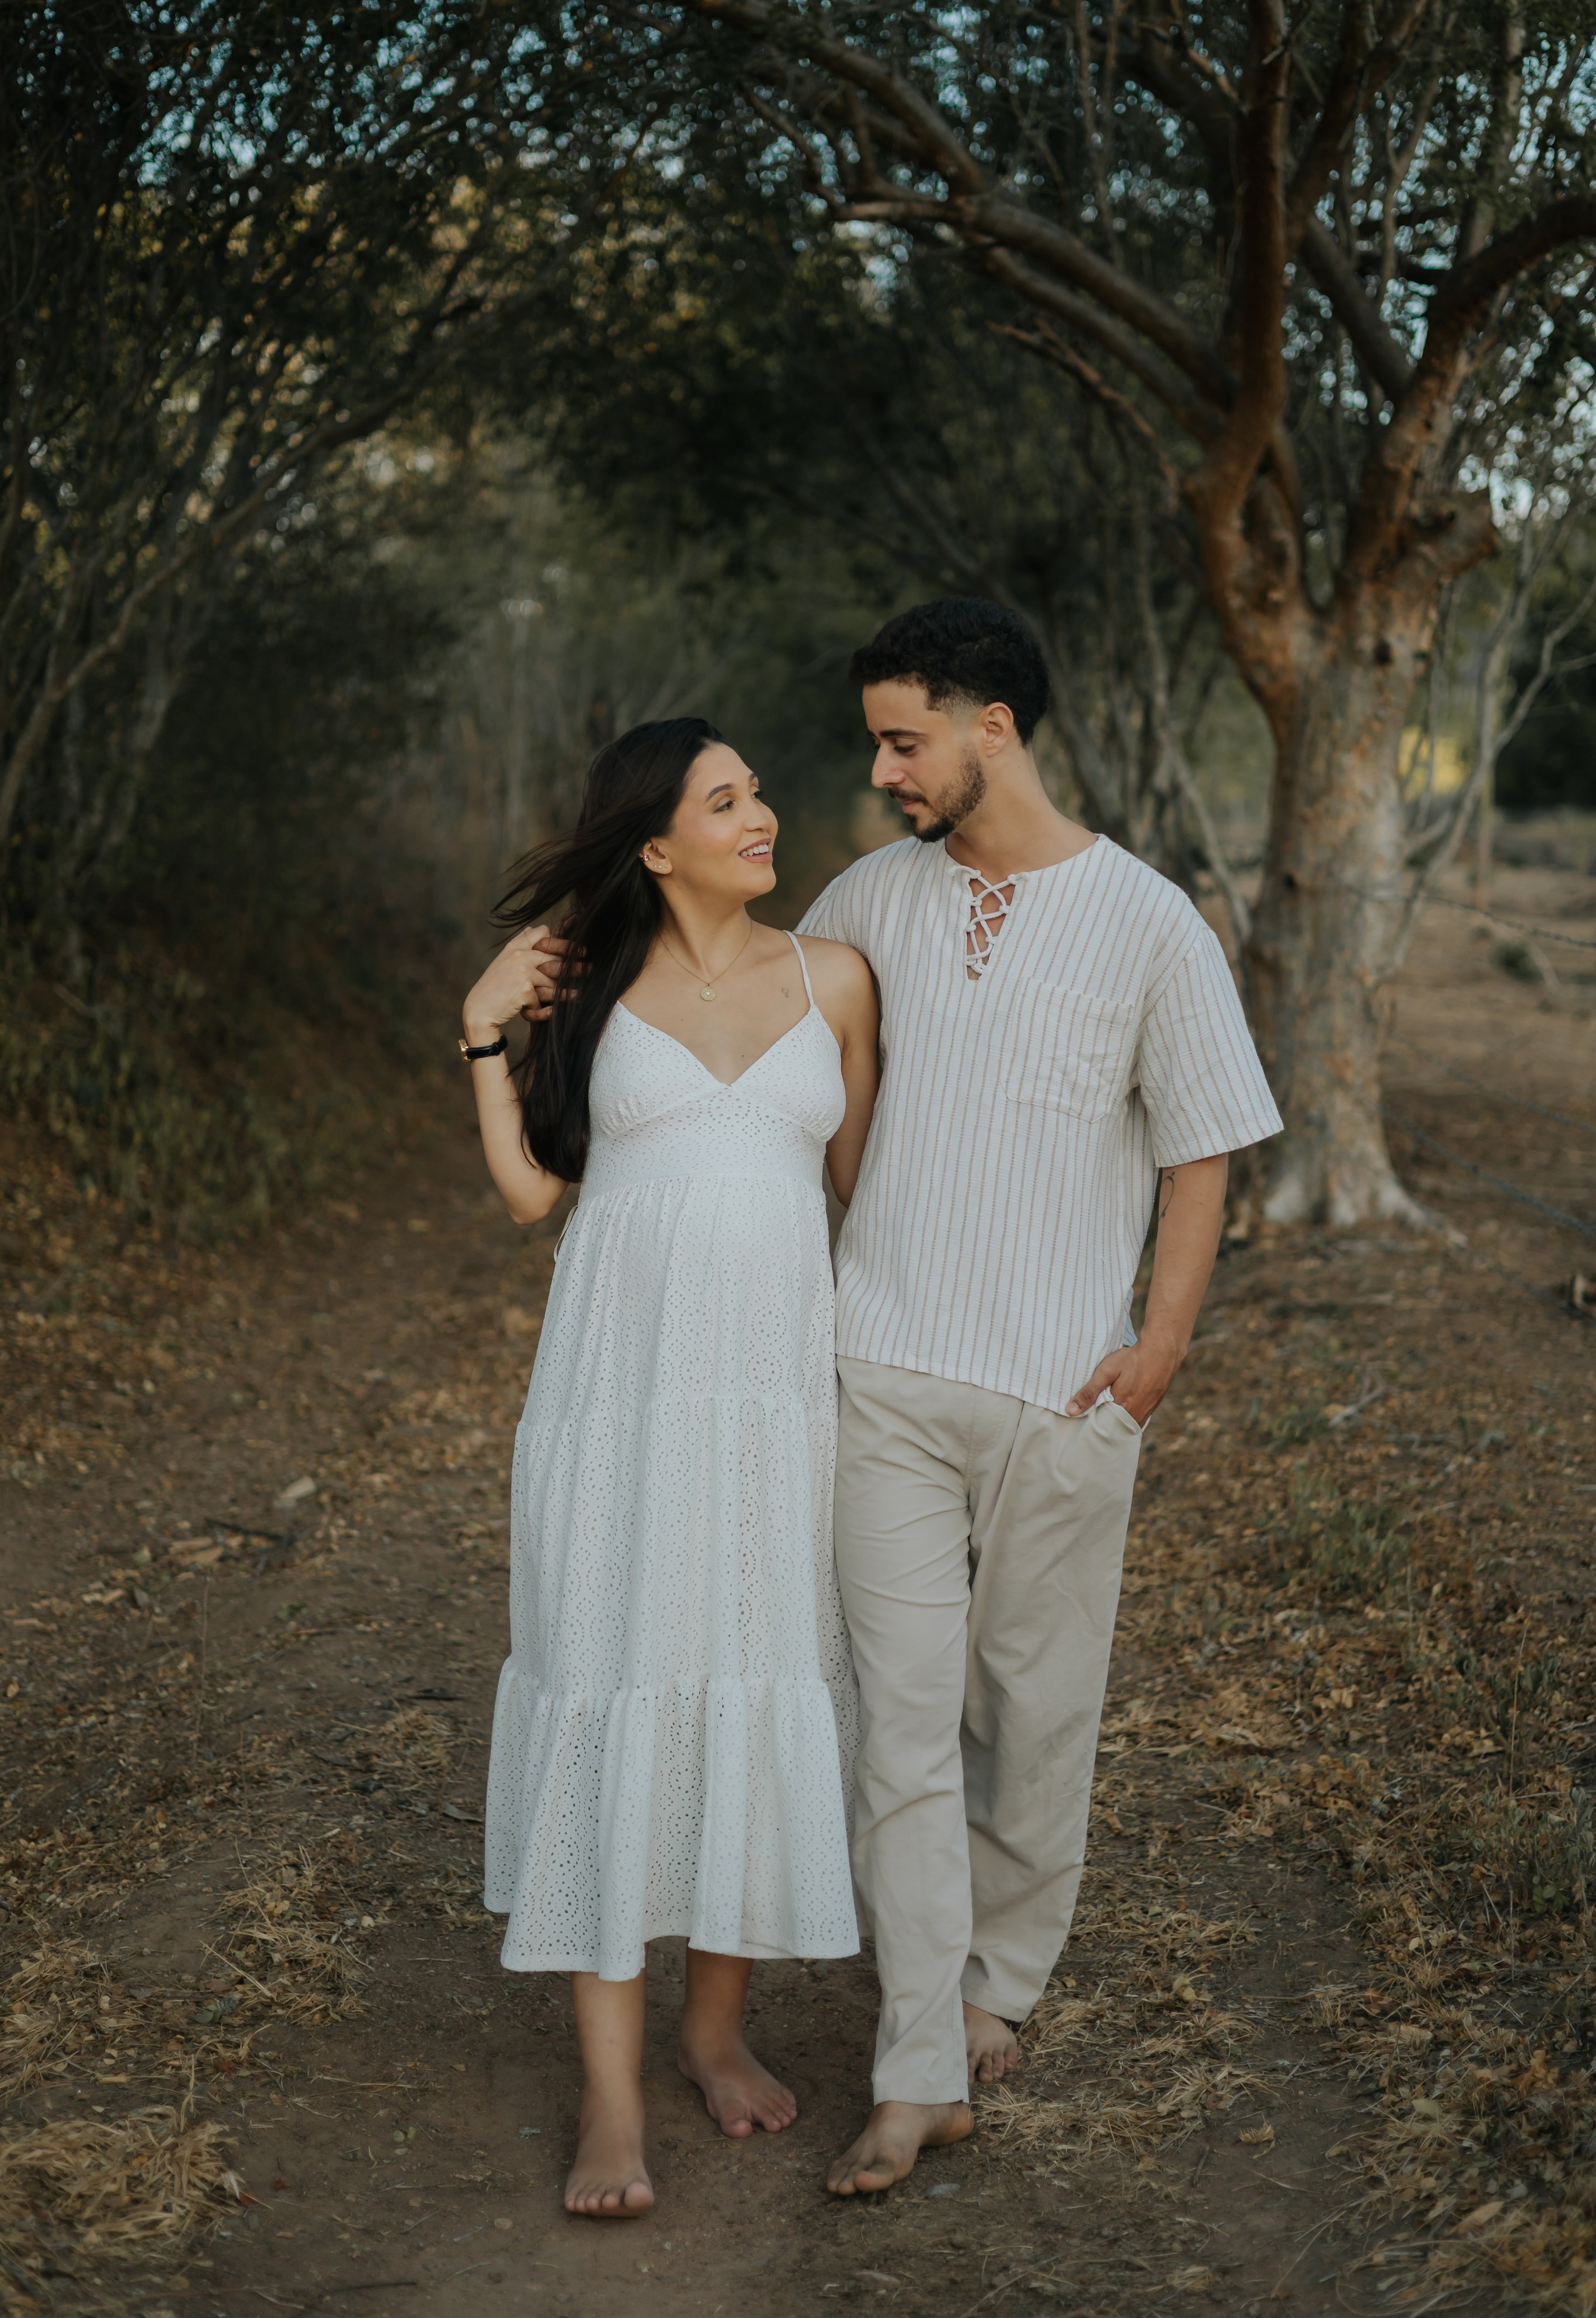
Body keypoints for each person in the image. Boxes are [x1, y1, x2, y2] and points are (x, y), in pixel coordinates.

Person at [796, 598, 1282, 2196]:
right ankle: (918, 2058)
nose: (881, 771)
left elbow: (1202, 1148)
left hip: (1067, 1386)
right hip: (881, 1365)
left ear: (989, 726)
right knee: (900, 1722)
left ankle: (998, 1978)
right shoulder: (868, 895)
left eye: (901, 738)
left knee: (1033, 1708)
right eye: (879, 740)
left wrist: (1154, 1353)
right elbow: (781, 1050)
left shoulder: (1149, 923)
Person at [459, 717, 879, 2219]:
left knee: (750, 1672)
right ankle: (610, 2106)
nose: (761, 813)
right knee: (613, 1679)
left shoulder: (832, 980)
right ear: (654, 842)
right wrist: (477, 1032)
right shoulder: (585, 986)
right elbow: (526, 1196)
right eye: (726, 800)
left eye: (756, 791)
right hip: (618, 1400)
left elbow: (862, 1197)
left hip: (771, 1406)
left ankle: (714, 2033)